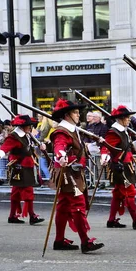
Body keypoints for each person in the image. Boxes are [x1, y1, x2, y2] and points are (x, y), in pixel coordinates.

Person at [50, 99, 104, 253]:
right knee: (78, 207)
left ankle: (59, 240)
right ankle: (85, 241)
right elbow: (59, 145)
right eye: (75, 112)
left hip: (74, 173)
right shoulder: (62, 131)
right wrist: (60, 154)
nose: (79, 115)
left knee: (63, 208)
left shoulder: (74, 129)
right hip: (68, 175)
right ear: (67, 115)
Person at [101, 105, 136, 230]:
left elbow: (129, 147)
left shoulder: (124, 131)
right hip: (120, 167)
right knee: (130, 193)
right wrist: (104, 156)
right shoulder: (114, 132)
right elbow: (106, 146)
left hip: (126, 166)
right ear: (121, 119)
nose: (129, 120)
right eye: (127, 118)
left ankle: (111, 220)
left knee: (118, 194)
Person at [0, 114, 45, 225]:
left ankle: (12, 216)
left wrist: (40, 147)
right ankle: (32, 215)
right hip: (20, 168)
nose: (31, 128)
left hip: (27, 166)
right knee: (28, 191)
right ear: (23, 126)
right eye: (28, 126)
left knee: (16, 193)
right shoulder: (14, 137)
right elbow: (5, 147)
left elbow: (29, 149)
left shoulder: (26, 135)